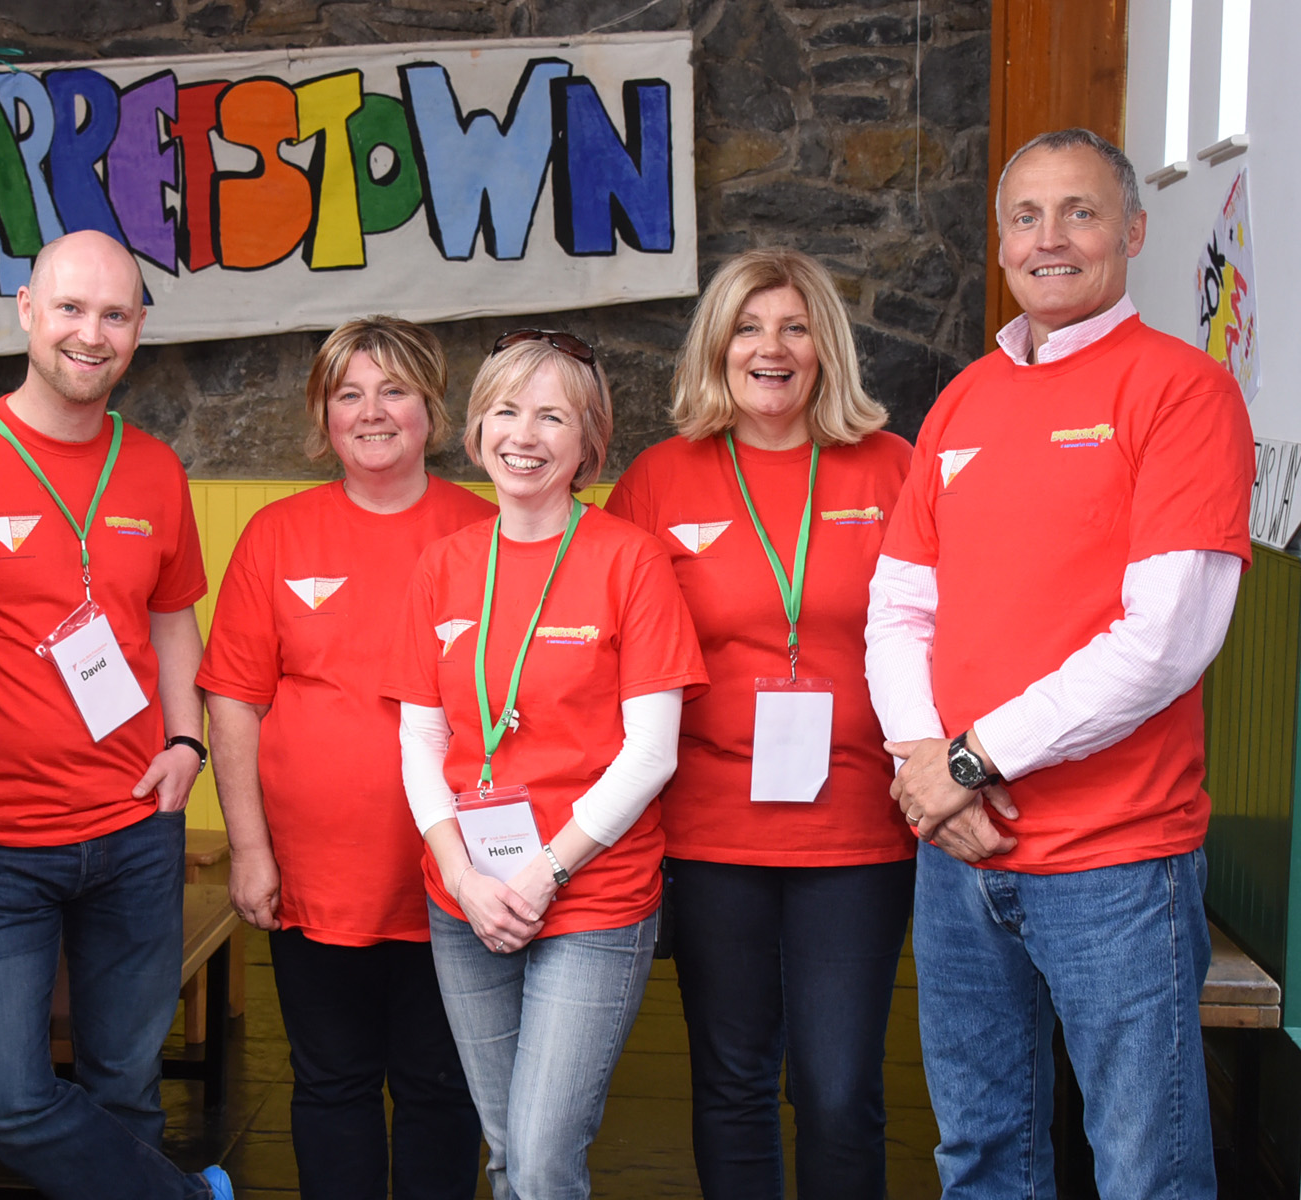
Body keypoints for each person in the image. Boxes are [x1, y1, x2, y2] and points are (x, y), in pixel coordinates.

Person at [864, 128, 1254, 1198]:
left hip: (1115, 860)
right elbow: (899, 606)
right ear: (1000, 243)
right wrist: (925, 770)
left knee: (1146, 1169)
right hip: (960, 857)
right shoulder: (964, 401)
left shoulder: (1183, 393)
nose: (1052, 239)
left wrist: (967, 763)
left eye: (1080, 212)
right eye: (1027, 217)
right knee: (982, 1157)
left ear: (1132, 231)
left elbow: (1164, 641)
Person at [0, 231, 231, 1199]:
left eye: (115, 315)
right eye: (71, 308)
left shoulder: (153, 469)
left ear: (140, 329)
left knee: (126, 1089)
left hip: (137, 828)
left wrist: (187, 739)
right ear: (28, 311)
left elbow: (172, 616)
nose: (91, 333)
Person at [605, 247, 914, 1199]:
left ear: (827, 347)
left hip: (857, 829)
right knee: (732, 1081)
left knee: (838, 1089)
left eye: (794, 327)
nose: (770, 348)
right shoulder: (659, 481)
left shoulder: (894, 469)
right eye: (747, 327)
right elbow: (616, 658)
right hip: (710, 832)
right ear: (716, 346)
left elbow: (944, 633)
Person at [383, 329, 708, 1200]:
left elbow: (652, 751)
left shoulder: (631, 561)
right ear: (477, 428)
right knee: (505, 1151)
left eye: (553, 416)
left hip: (591, 894)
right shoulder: (444, 564)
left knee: (539, 1154)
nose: (523, 435)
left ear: (589, 440)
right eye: (505, 411)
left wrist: (542, 873)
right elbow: (420, 742)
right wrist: (464, 877)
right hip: (466, 896)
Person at [198, 318, 492, 1199]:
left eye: (394, 390)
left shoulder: (487, 532)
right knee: (333, 1085)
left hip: (460, 878)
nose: (371, 412)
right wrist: (249, 849)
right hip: (318, 880)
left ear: (432, 409)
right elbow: (234, 700)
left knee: (444, 1091)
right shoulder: (276, 535)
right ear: (322, 415)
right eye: (348, 393)